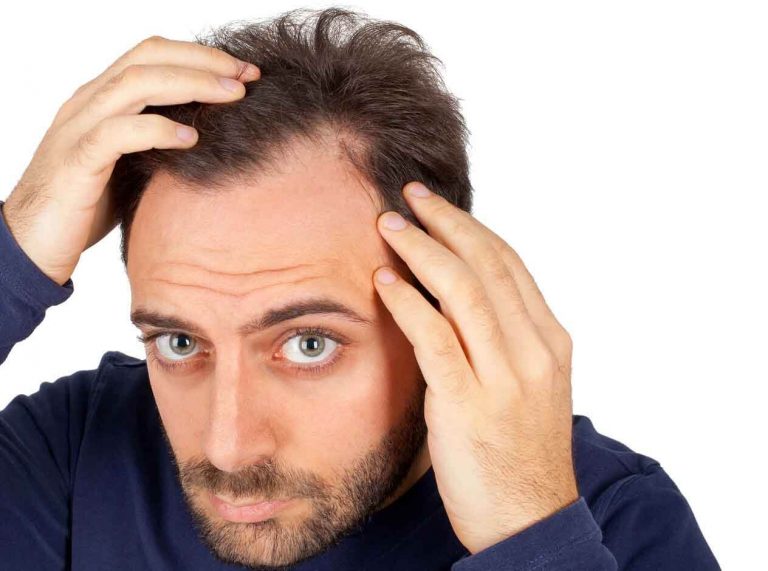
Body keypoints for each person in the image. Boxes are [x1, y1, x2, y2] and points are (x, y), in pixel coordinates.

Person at [0, 7, 720, 571]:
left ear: (443, 305)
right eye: (180, 341)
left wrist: (532, 539)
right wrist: (16, 251)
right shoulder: (72, 452)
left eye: (309, 344)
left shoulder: (610, 523)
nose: (228, 448)